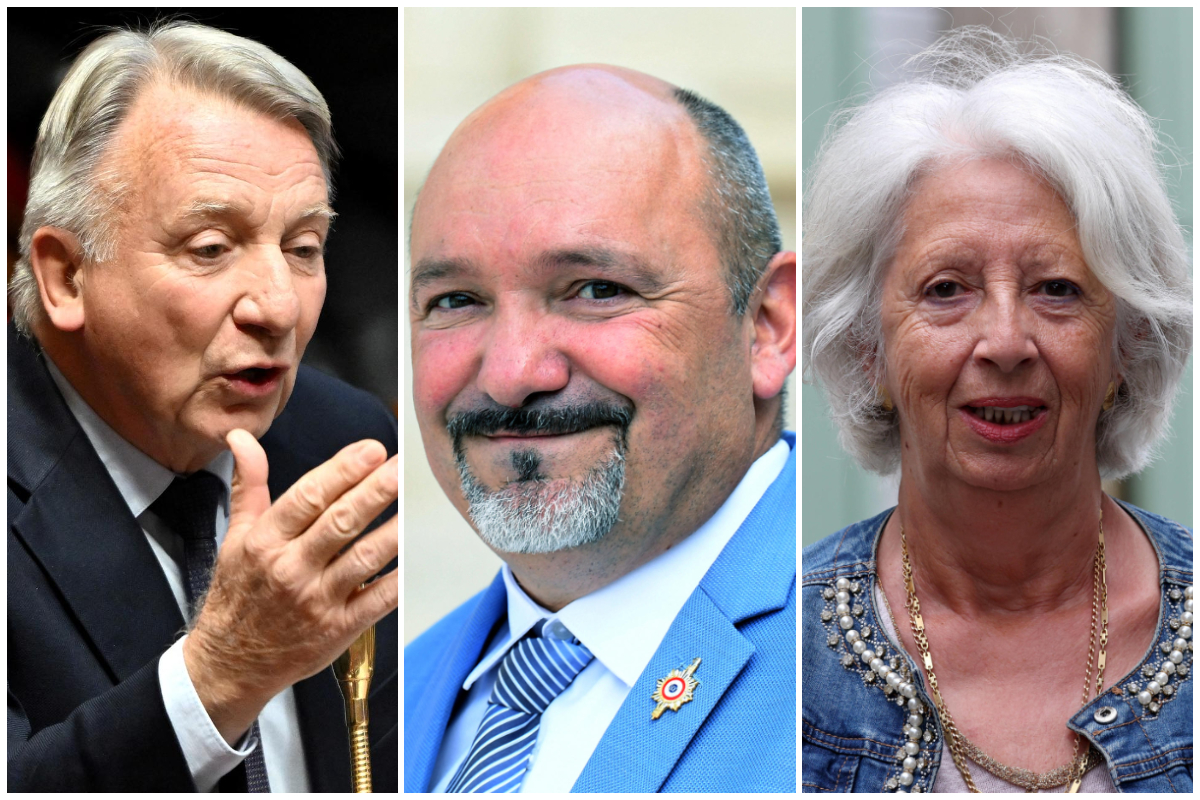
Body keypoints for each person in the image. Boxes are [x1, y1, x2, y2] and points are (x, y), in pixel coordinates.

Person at [7, 22, 399, 792]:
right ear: (64, 276)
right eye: (212, 248)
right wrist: (221, 676)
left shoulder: (341, 438)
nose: (279, 307)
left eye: (304, 247)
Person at [801, 28, 1192, 793]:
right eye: (947, 290)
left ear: (1129, 345)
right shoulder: (777, 656)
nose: (1006, 342)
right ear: (864, 349)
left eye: (1058, 289)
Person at [405, 64, 797, 792]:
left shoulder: (862, 657)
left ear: (767, 327)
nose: (513, 372)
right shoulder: (391, 693)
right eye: (456, 300)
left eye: (596, 290)